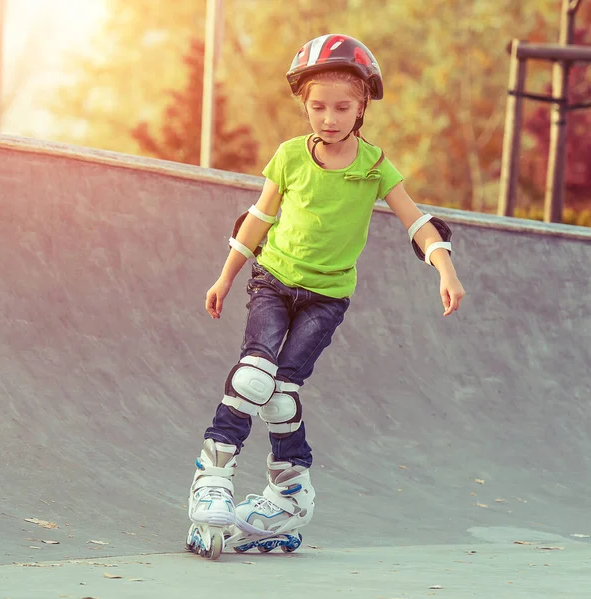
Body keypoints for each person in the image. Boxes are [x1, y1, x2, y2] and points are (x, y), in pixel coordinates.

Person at [186, 34, 465, 558]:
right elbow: (257, 219)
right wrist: (224, 277)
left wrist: (444, 270)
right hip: (272, 281)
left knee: (282, 395)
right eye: (318, 107)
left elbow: (418, 221)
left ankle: (288, 495)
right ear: (303, 105)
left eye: (342, 107)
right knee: (253, 376)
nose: (329, 118)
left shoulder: (374, 166)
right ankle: (214, 473)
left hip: (326, 298)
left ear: (362, 108)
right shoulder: (290, 156)